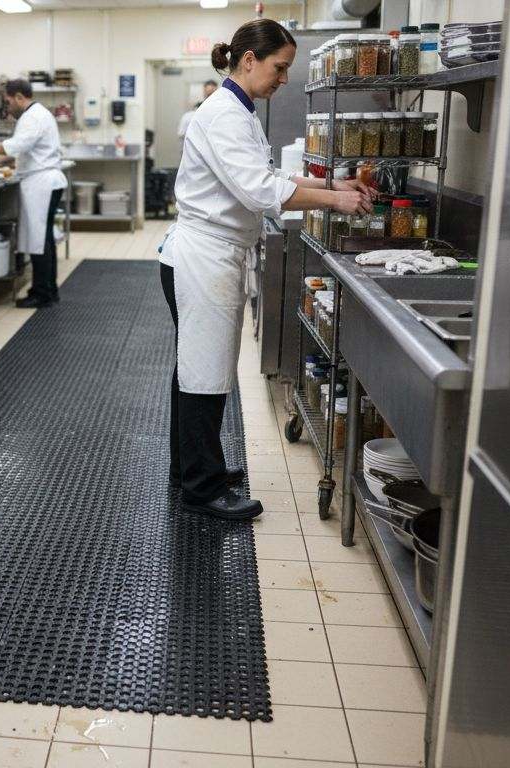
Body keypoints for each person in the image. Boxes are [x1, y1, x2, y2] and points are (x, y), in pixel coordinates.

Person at [162, 19, 372, 520]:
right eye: (279, 68)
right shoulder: (223, 115)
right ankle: (201, 487)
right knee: (205, 371)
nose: (283, 78)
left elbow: (269, 176)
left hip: (213, 254)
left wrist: (333, 188)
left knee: (197, 368)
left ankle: (193, 467)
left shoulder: (239, 110)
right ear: (249, 59)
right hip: (204, 256)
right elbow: (261, 192)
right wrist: (334, 203)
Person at [0, 79, 68, 309]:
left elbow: (17, 145)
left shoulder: (32, 116)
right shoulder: (37, 114)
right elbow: (25, 148)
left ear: (19, 97)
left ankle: (42, 294)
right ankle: (48, 291)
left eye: (8, 101)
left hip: (41, 183)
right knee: (44, 241)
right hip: (43, 180)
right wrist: (3, 159)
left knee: (39, 241)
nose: (8, 106)